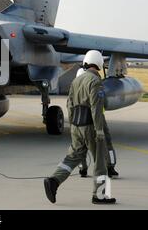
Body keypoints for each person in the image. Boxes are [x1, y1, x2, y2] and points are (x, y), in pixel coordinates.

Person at [44, 50, 116, 204]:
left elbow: (69, 105)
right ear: (98, 63)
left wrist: (74, 126)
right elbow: (96, 108)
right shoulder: (95, 82)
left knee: (73, 157)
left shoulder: (76, 81)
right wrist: (99, 131)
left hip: (77, 126)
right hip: (91, 125)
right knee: (100, 160)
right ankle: (100, 195)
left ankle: (54, 181)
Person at [75, 68, 119, 179]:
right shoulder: (93, 84)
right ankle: (109, 168)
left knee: (80, 146)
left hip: (80, 120)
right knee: (105, 143)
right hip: (97, 118)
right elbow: (99, 105)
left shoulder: (75, 87)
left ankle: (83, 169)